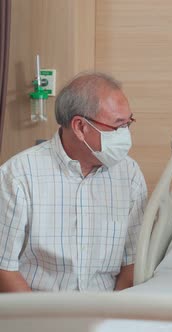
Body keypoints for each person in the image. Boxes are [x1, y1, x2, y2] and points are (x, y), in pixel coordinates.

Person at [0, 72, 147, 292]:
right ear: (80, 127)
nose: (125, 135)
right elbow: (4, 267)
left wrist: (114, 316)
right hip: (36, 312)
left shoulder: (129, 174)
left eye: (128, 123)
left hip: (106, 311)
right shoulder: (18, 176)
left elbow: (133, 262)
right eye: (117, 126)